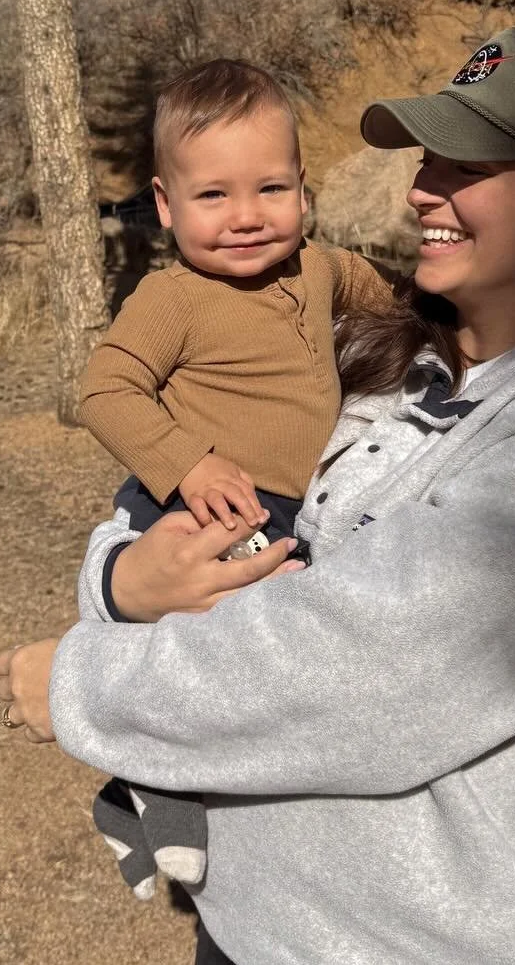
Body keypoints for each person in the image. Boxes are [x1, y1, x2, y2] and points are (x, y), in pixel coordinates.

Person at [0, 26, 515, 965]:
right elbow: (179, 507)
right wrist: (121, 578)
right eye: (429, 156)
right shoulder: (391, 365)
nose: (423, 190)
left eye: (468, 165)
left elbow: (351, 669)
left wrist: (78, 681)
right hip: (257, 936)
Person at [78, 58, 391, 901]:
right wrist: (186, 460)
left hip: (281, 506)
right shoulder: (171, 296)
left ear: (304, 190)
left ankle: (124, 792)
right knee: (216, 644)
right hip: (194, 501)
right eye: (213, 197)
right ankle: (164, 782)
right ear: (167, 204)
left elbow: (388, 303)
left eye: (272, 188)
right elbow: (102, 388)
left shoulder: (320, 270)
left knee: (260, 650)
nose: (247, 217)